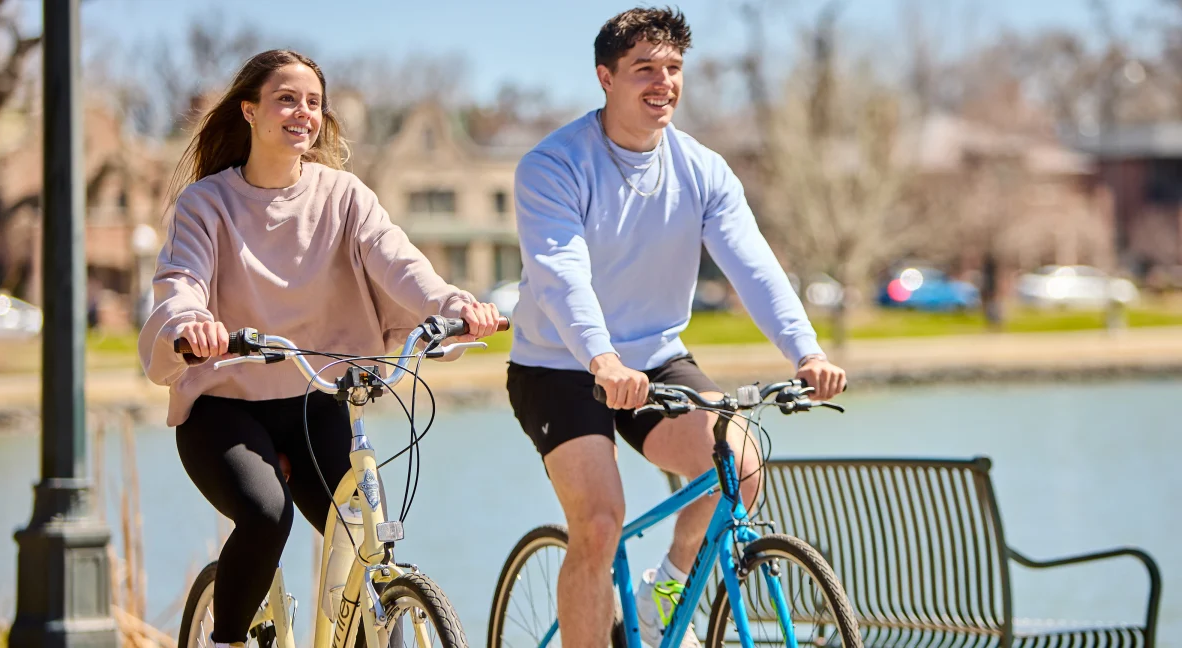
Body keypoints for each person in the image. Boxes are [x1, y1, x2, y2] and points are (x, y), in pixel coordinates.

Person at [137, 49, 502, 648]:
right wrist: (192, 324)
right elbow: (181, 283)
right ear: (249, 111)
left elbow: (400, 261)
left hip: (316, 398)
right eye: (287, 99)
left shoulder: (345, 196)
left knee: (362, 542)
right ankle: (225, 639)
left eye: (313, 102)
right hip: (225, 403)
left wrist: (453, 306)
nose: (303, 112)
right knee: (265, 515)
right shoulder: (206, 205)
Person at [505, 9, 847, 648]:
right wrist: (602, 360)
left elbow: (754, 266)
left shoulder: (704, 170)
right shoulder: (552, 166)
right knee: (601, 524)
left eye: (673, 68)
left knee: (738, 466)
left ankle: (664, 594)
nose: (663, 83)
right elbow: (560, 277)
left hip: (657, 356)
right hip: (560, 365)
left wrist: (806, 350)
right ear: (605, 78)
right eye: (644, 70)